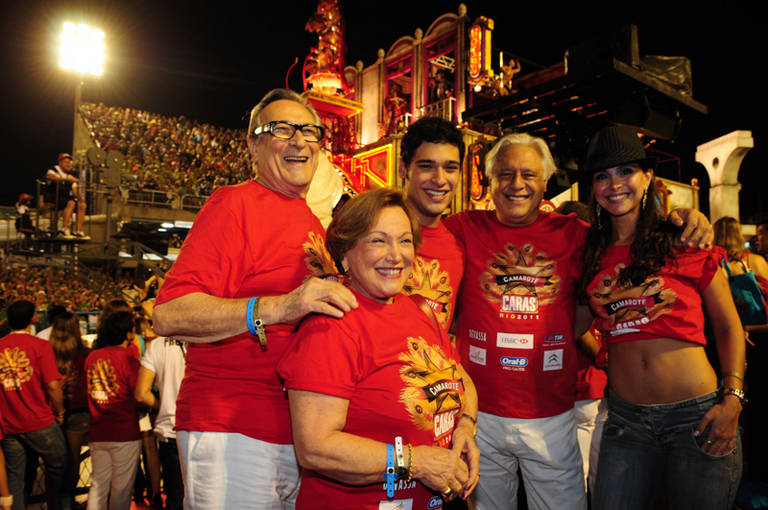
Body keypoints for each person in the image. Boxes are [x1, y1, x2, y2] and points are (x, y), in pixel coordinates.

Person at [442, 132, 714, 510]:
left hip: (552, 412)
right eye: (505, 174)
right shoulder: (460, 227)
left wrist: (686, 218)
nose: (516, 184)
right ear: (489, 182)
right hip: (478, 415)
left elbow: (631, 235)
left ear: (545, 184)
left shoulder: (579, 235)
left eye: (528, 175)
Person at [152, 88, 357, 509]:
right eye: (282, 129)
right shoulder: (235, 204)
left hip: (296, 435)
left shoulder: (309, 222)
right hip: (233, 428)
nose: (299, 140)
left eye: (309, 131)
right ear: (253, 144)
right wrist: (282, 305)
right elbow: (169, 314)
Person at [278, 188, 479, 509]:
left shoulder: (419, 311)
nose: (395, 254)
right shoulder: (331, 326)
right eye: (378, 240)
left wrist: (466, 425)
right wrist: (417, 462)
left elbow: (461, 379)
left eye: (404, 241)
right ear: (345, 254)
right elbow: (316, 447)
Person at [581, 125, 744, 509]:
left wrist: (733, 399)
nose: (614, 184)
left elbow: (728, 325)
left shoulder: (684, 239)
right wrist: (605, 358)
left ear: (648, 176)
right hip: (626, 422)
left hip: (698, 418)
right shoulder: (588, 252)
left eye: (625, 171)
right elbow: (571, 326)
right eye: (602, 175)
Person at [0, 300, 71, 510]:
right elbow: (52, 386)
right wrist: (60, 412)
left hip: (9, 424)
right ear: (33, 319)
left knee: (16, 478)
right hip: (39, 421)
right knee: (62, 469)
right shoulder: (40, 346)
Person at [399, 117, 465, 332]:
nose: (439, 179)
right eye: (427, 166)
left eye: (450, 168)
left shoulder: (460, 246)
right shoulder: (371, 232)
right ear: (404, 169)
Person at [85, 311, 141, 510]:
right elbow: (138, 395)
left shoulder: (92, 357)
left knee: (98, 487)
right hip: (124, 431)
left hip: (98, 430)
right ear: (127, 334)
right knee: (121, 491)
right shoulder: (128, 359)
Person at [135, 335, 186, 510]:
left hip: (170, 430)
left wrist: (161, 404)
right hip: (203, 430)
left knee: (175, 497)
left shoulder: (157, 345)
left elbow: (141, 393)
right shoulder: (206, 338)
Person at [48, 312, 90, 490]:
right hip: (79, 411)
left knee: (54, 465)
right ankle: (69, 501)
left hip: (52, 412)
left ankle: (54, 502)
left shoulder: (47, 352)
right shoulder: (84, 353)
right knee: (72, 460)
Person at [46, 153, 88, 239]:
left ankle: (77, 230)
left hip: (66, 197)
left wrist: (80, 200)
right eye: (66, 162)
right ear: (60, 162)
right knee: (71, 202)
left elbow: (74, 189)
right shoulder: (54, 169)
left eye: (69, 162)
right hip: (54, 196)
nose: (68, 164)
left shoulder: (71, 174)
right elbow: (51, 177)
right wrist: (66, 178)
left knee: (82, 205)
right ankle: (64, 228)